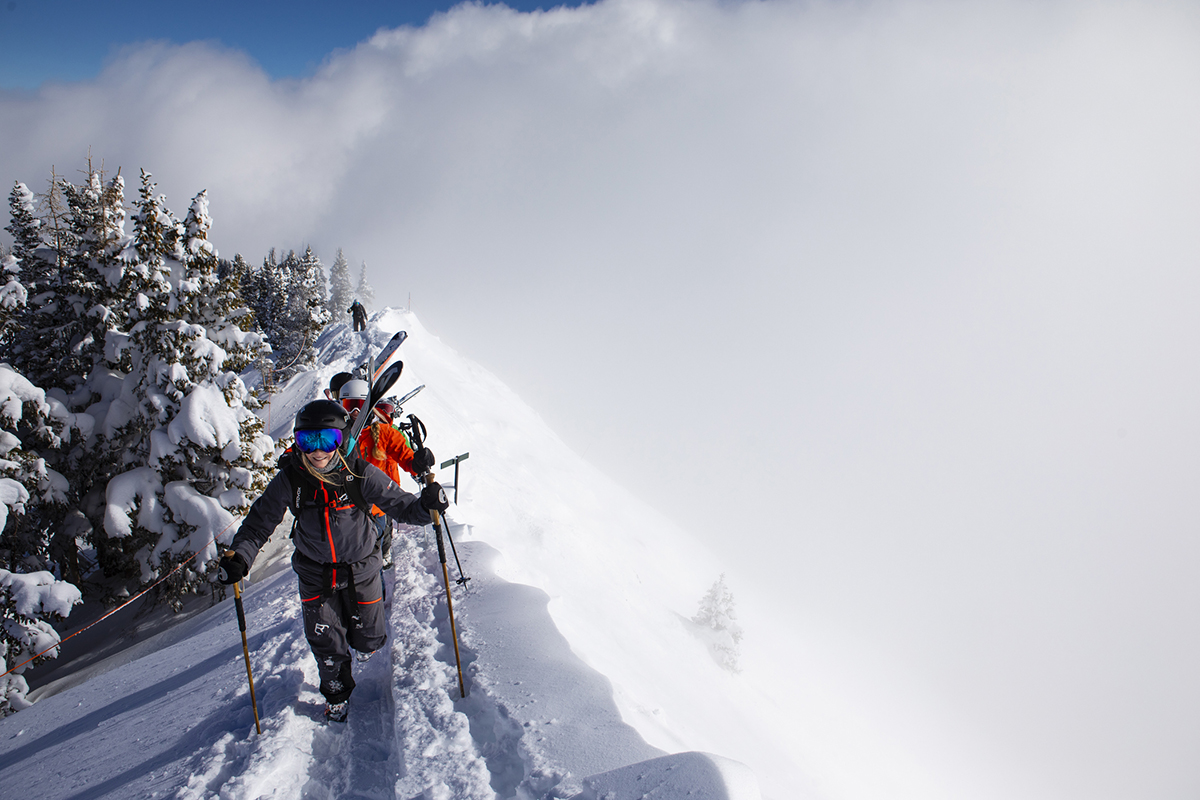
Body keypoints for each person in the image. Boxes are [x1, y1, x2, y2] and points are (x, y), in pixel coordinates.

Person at [217, 399, 449, 723]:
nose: (318, 451)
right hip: (315, 570)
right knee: (325, 639)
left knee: (369, 633)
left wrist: (428, 506)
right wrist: (240, 556)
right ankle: (337, 693)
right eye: (307, 441)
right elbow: (258, 523)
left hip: (362, 564)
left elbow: (403, 506)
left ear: (340, 440)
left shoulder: (359, 473)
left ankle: (365, 644)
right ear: (297, 442)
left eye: (327, 440)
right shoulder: (291, 479)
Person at [338, 380, 436, 567]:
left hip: (376, 508)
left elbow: (406, 458)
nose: (354, 413)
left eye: (360, 406)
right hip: (347, 512)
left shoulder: (384, 432)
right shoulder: (336, 434)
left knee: (372, 562)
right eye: (349, 406)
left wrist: (418, 462)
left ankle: (377, 583)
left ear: (370, 405)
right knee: (351, 562)